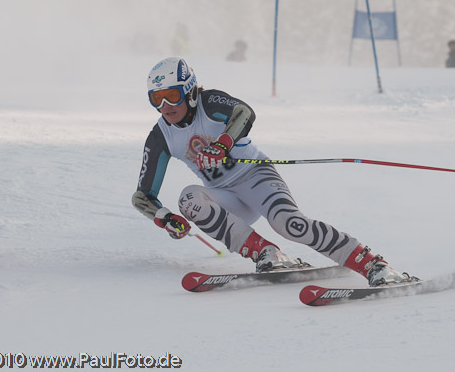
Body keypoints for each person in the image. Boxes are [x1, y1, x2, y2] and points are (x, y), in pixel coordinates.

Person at [132, 57, 413, 287]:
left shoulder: (210, 102)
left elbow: (244, 113)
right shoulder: (160, 137)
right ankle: (267, 253)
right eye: (156, 99)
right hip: (225, 196)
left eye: (172, 96)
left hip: (256, 177)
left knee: (289, 224)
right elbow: (142, 196)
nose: (165, 107)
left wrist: (222, 145)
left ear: (190, 91)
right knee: (189, 199)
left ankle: (375, 266)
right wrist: (164, 218)